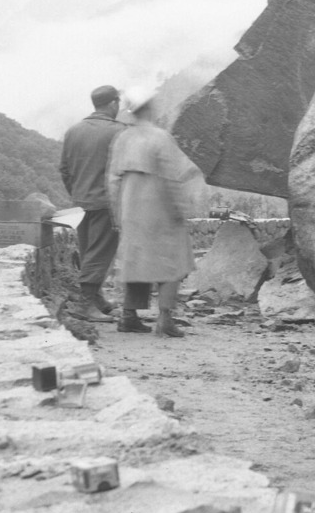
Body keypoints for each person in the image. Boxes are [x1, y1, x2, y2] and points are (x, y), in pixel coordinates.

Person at [106, 92, 208, 337]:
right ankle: (164, 319)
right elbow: (172, 177)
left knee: (136, 259)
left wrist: (117, 212)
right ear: (150, 110)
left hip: (131, 206)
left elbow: (112, 179)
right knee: (171, 261)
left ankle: (129, 316)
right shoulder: (160, 137)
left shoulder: (122, 139)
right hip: (159, 206)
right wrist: (180, 208)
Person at [58, 85, 127, 318]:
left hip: (81, 202)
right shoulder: (119, 131)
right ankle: (85, 305)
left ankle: (96, 300)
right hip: (107, 203)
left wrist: (77, 193)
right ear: (113, 104)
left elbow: (64, 170)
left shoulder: (73, 131)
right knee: (100, 254)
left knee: (89, 251)